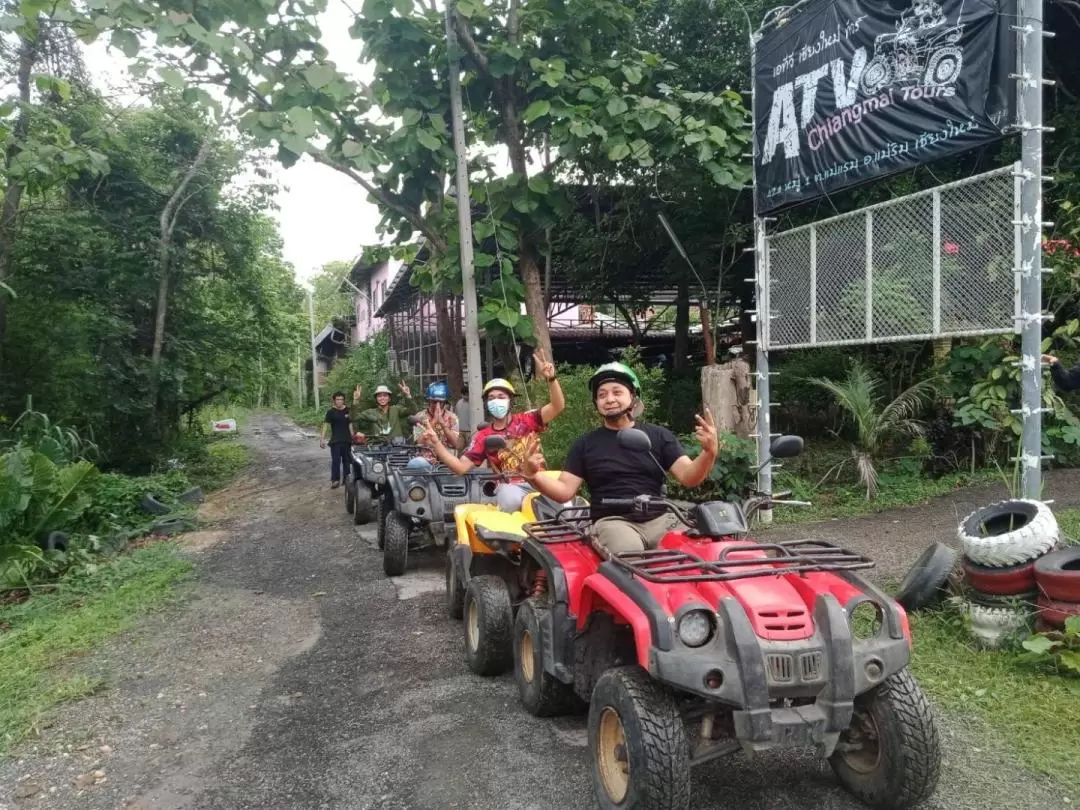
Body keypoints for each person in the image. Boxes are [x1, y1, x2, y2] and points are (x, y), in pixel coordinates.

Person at [519, 362, 721, 554]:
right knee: (631, 556)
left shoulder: (659, 436)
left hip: (660, 518)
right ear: (596, 402)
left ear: (633, 396)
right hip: (613, 521)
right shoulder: (585, 444)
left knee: (696, 550)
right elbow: (564, 492)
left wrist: (708, 453)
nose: (609, 399)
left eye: (617, 392)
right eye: (602, 395)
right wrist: (533, 475)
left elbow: (689, 476)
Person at [417, 349, 564, 511]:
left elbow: (557, 406)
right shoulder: (483, 436)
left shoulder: (527, 419)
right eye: (492, 398)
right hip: (510, 485)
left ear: (511, 401)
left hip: (540, 480)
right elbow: (460, 467)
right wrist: (436, 444)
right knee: (510, 500)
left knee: (565, 502)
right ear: (487, 403)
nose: (496, 401)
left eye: (501, 397)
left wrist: (551, 379)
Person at [407, 381, 462, 469]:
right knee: (415, 464)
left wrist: (443, 424)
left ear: (445, 402)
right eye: (434, 402)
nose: (437, 405)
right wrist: (434, 421)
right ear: (429, 401)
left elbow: (456, 444)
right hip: (426, 460)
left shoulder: (452, 417)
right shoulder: (420, 416)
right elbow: (419, 442)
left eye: (441, 402)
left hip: (447, 460)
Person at [350, 381, 414, 442]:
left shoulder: (396, 409)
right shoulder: (371, 412)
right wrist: (355, 401)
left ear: (389, 398)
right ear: (376, 399)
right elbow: (354, 417)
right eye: (379, 396)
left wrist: (408, 396)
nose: (382, 398)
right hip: (377, 446)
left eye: (385, 395)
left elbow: (412, 410)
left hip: (397, 446)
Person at [319, 391, 356, 488]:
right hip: (335, 441)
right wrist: (322, 439)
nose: (340, 401)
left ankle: (346, 480)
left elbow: (350, 424)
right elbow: (325, 425)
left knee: (347, 461)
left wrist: (353, 437)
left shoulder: (348, 410)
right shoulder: (331, 412)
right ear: (334, 400)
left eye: (341, 399)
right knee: (336, 461)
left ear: (344, 400)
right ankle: (335, 480)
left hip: (347, 440)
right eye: (338, 399)